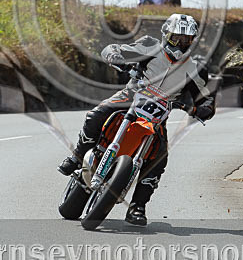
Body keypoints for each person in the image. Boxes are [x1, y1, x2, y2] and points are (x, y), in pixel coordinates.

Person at [57, 14, 216, 226]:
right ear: (166, 35)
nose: (181, 44)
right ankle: (77, 157)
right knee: (96, 114)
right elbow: (111, 49)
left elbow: (207, 99)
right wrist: (115, 58)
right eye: (176, 38)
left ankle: (137, 206)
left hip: (159, 112)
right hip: (131, 96)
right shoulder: (149, 46)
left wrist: (201, 109)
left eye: (187, 40)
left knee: (159, 158)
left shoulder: (196, 67)